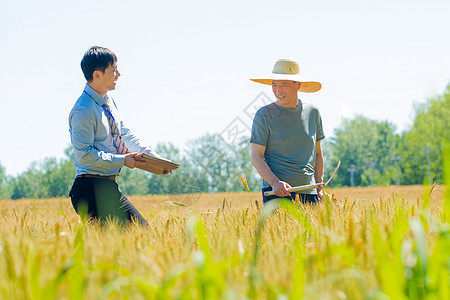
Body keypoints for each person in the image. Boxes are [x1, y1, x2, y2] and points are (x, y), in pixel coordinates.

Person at [68, 46, 167, 226]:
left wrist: (155, 159)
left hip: (108, 187)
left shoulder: (108, 101)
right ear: (97, 75)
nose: (118, 74)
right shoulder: (84, 110)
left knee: (142, 235)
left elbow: (125, 134)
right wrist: (122, 160)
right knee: (119, 246)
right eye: (113, 70)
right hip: (89, 190)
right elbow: (85, 155)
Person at [250, 58, 325, 204]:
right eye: (274, 85)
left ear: (298, 85)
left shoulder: (313, 112)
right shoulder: (264, 115)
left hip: (310, 191)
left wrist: (319, 186)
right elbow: (256, 156)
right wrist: (275, 182)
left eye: (283, 85)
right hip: (277, 193)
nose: (278, 91)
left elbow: (317, 153)